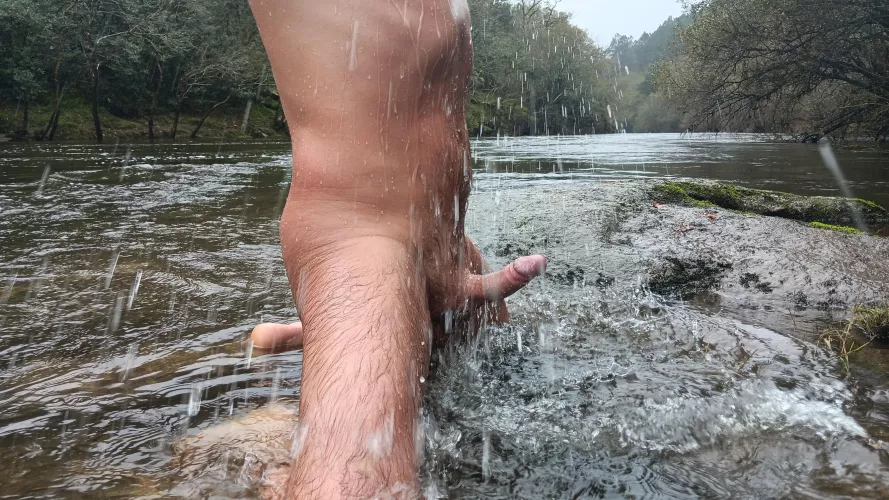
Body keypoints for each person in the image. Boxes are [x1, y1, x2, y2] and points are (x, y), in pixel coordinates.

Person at [246, 1, 546, 497]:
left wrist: (442, 257)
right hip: (361, 243)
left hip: (445, 243)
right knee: (355, 483)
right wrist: (355, 314)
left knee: (493, 381)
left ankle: (283, 436)